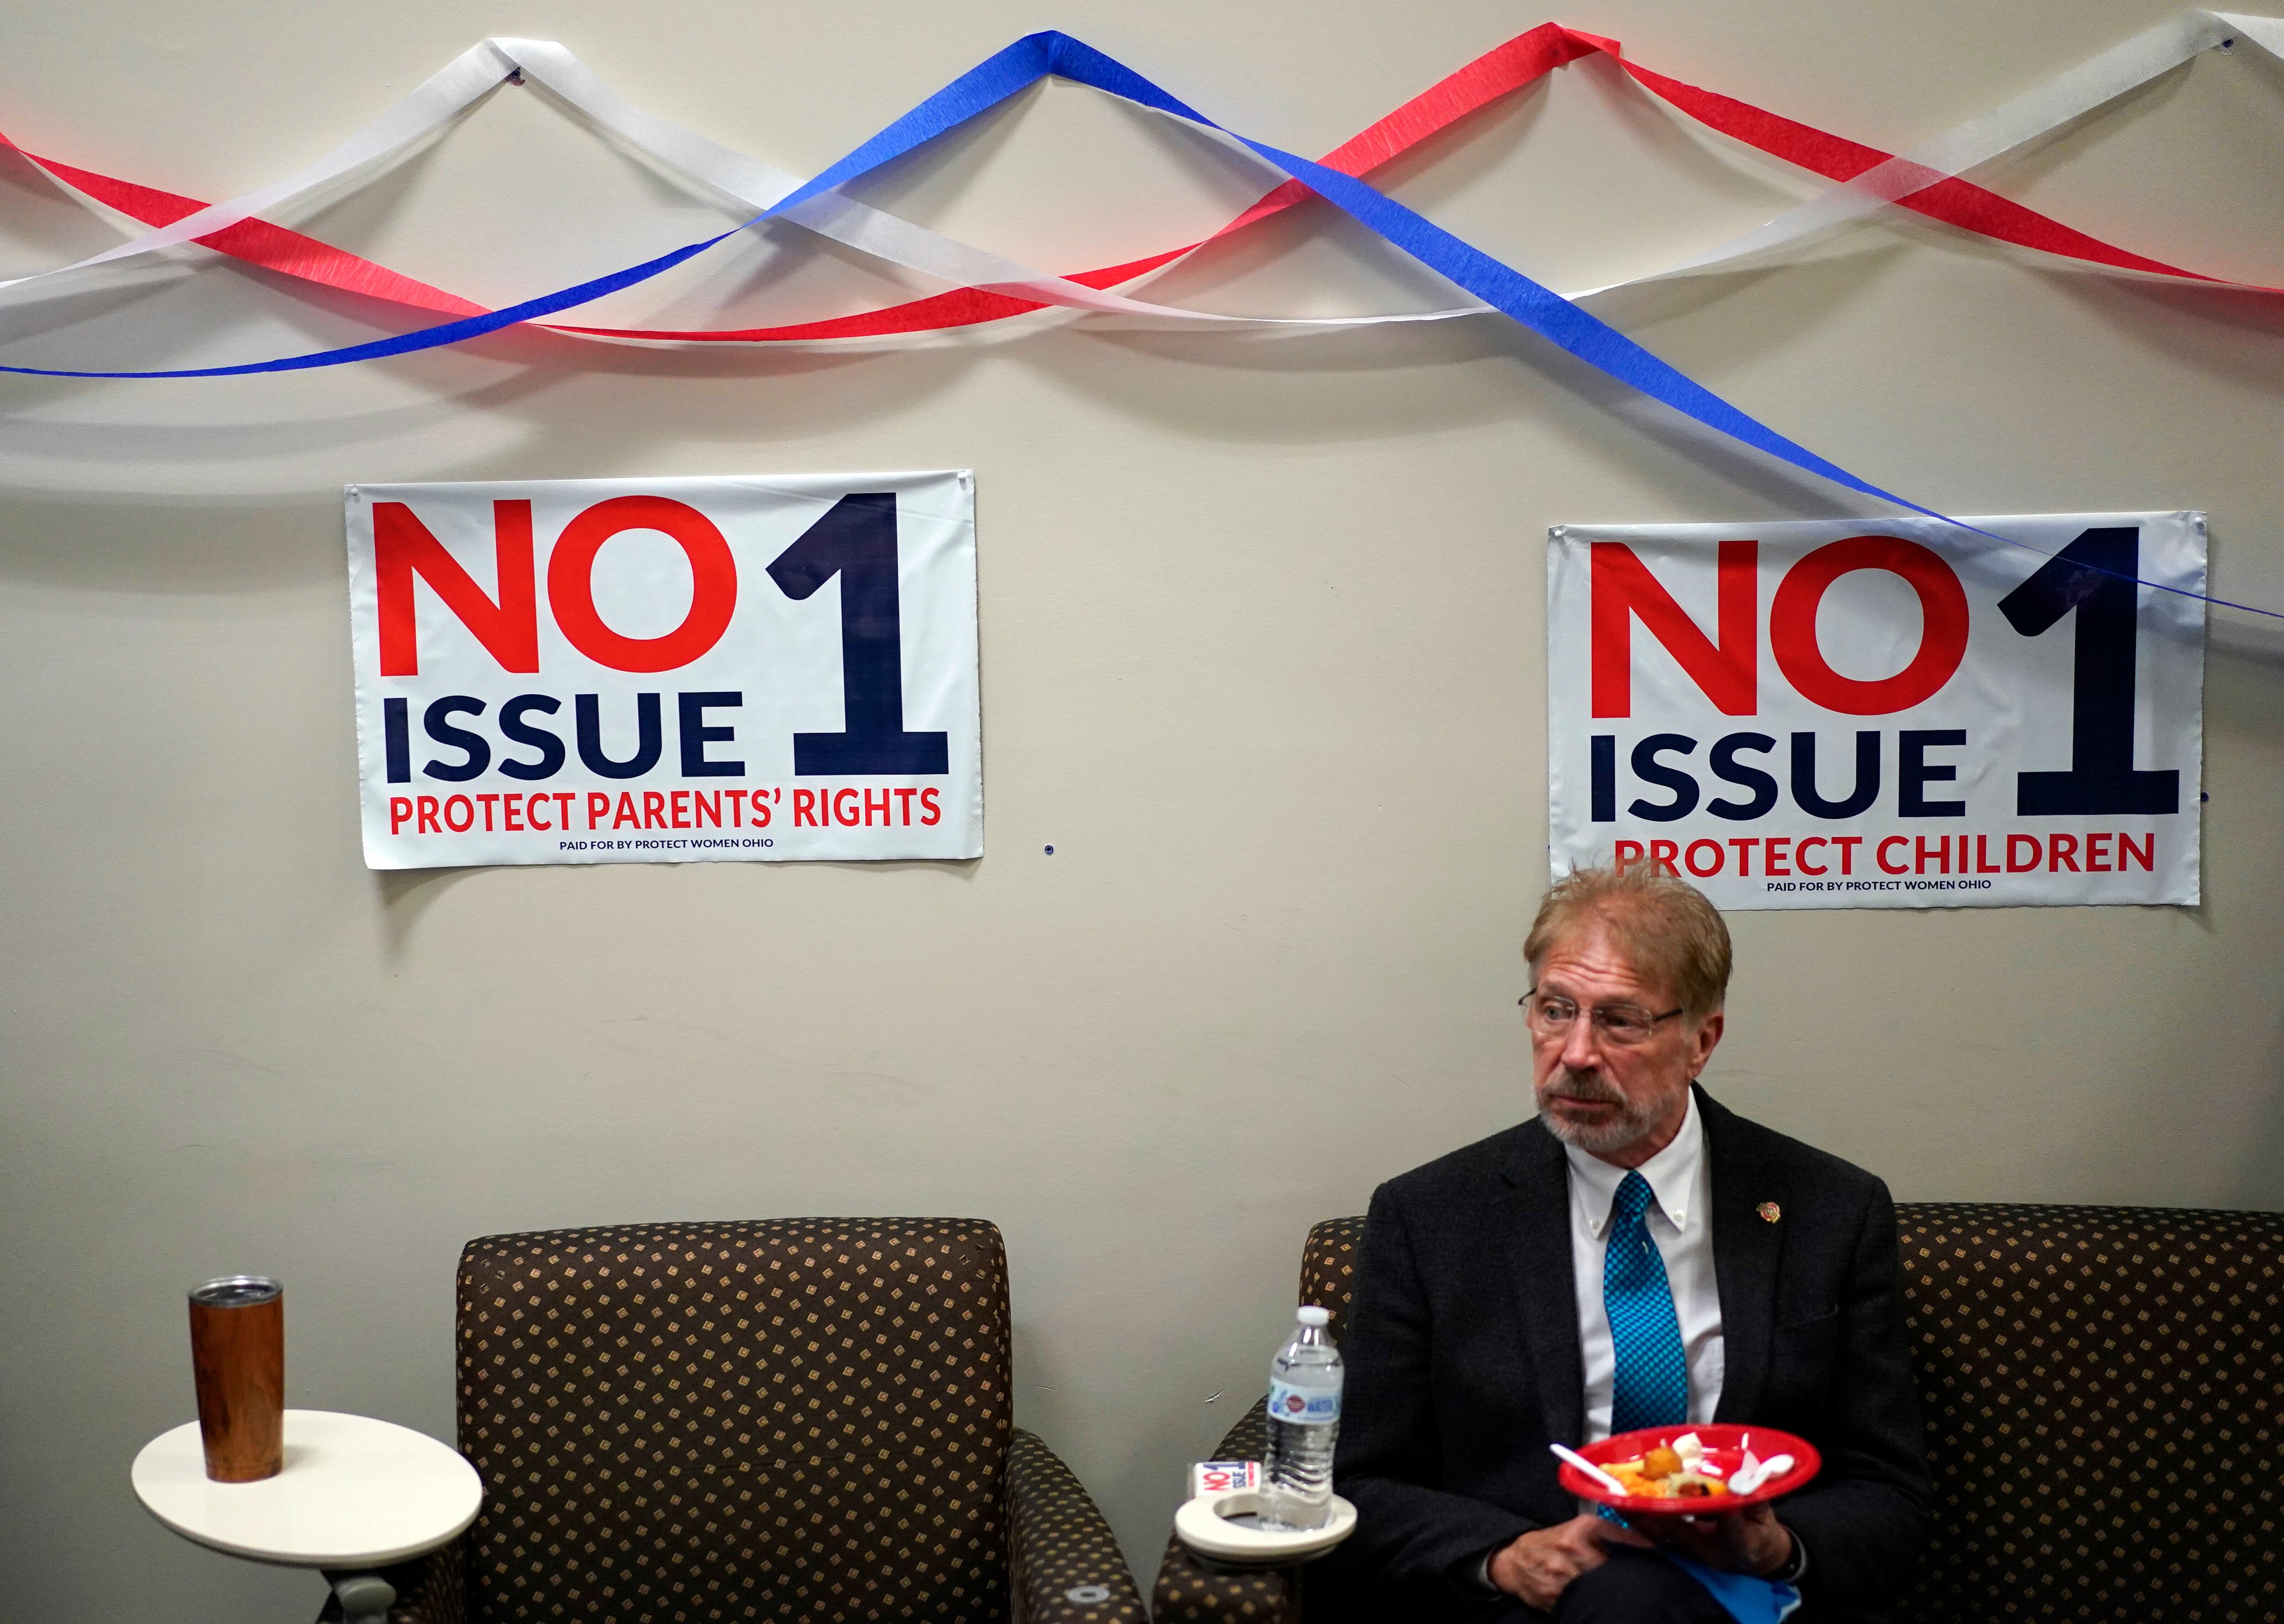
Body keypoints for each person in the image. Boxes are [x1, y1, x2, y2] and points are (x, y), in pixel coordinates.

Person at [1319, 864, 1928, 1623]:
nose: (1575, 1052)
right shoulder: (1431, 1217)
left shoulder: (1831, 1211)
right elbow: (1363, 1481)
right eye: (1555, 1010)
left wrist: (1775, 1549)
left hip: (1756, 1599)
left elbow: (1889, 1487)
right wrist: (1506, 1558)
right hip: (1534, 1603)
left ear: (1702, 1040)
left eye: (1620, 1020)